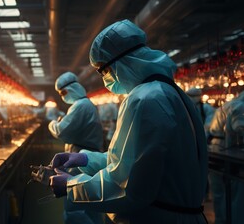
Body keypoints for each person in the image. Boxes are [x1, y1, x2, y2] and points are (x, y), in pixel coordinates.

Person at [49, 19, 208, 223]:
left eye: (103, 71)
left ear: (120, 62)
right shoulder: (169, 92)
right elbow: (133, 161)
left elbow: (127, 186)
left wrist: (71, 186)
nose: (105, 79)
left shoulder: (144, 99)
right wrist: (85, 159)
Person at [48, 71, 104, 224]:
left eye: (63, 92)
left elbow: (62, 131)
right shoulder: (83, 105)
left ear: (71, 89)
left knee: (76, 205)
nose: (62, 96)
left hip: (80, 159)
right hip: (84, 157)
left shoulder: (80, 106)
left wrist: (52, 123)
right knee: (89, 204)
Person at [208, 92, 244, 224]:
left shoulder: (228, 105)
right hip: (226, 149)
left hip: (215, 147)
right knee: (234, 193)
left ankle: (220, 219)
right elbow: (240, 128)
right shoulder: (239, 107)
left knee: (218, 192)